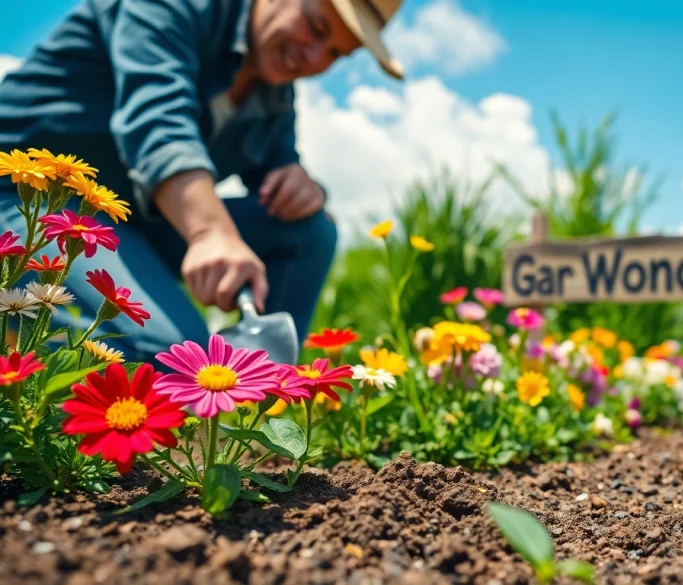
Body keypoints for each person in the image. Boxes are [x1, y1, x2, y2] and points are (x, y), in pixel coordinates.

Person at [0, 0, 405, 364]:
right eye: (316, 28)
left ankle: (267, 406)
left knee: (310, 230)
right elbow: (157, 119)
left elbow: (279, 164)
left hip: (132, 222)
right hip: (28, 198)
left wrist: (304, 187)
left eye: (336, 53)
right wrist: (210, 231)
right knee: (171, 356)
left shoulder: (273, 92)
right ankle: (14, 342)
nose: (315, 57)